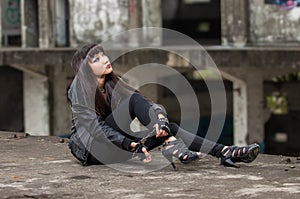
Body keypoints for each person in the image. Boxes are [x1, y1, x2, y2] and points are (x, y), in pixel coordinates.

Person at [68, 43, 260, 169]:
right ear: (86, 68)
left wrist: (160, 119)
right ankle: (172, 144)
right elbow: (95, 128)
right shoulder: (78, 89)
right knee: (133, 102)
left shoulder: (112, 85)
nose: (105, 60)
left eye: (103, 55)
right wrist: (130, 143)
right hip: (93, 150)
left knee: (168, 127)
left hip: (123, 147)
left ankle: (224, 152)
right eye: (96, 59)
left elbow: (148, 103)